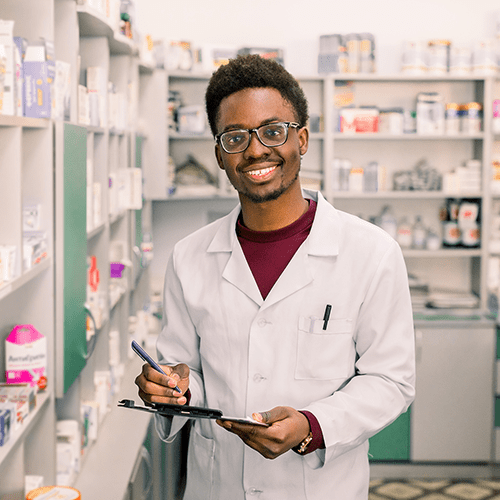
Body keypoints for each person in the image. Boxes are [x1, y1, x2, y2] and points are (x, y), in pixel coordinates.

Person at [135, 54, 415, 500]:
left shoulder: (372, 253)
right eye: (235, 137)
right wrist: (171, 389)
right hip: (218, 486)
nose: (256, 150)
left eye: (272, 131)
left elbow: (390, 379)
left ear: (301, 139)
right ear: (220, 155)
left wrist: (312, 425)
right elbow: (186, 373)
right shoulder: (189, 258)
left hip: (322, 487)